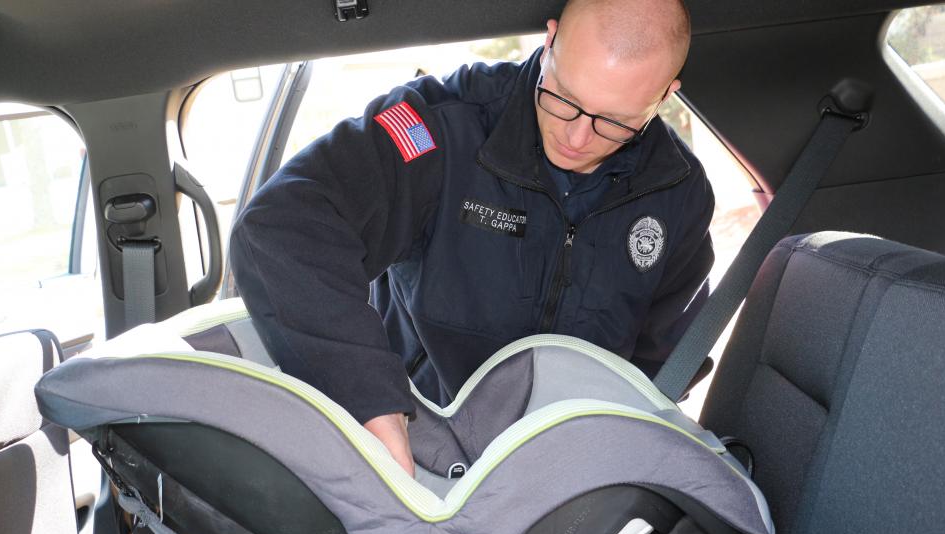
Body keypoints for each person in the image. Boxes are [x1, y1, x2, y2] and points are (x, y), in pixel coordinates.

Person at [230, 0, 714, 476]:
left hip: (566, 478)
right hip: (424, 453)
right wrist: (370, 402)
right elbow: (282, 225)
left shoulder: (679, 195)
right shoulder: (440, 129)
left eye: (615, 122)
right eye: (563, 98)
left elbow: (660, 366)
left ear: (664, 96)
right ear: (549, 42)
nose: (577, 138)